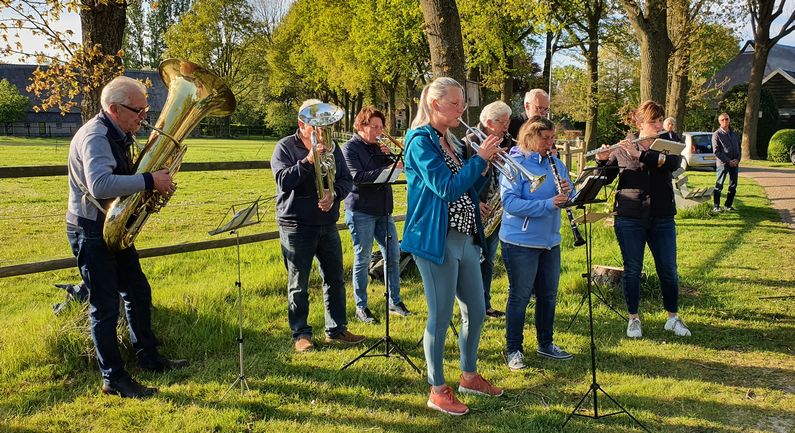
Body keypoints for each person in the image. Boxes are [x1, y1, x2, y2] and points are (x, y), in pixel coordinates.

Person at [66, 76, 187, 399]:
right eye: (138, 110)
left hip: (111, 225)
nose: (144, 117)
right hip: (91, 230)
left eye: (145, 109)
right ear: (114, 109)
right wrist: (149, 180)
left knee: (137, 291)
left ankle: (148, 356)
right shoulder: (95, 136)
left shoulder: (119, 133)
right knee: (105, 306)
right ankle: (113, 377)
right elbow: (101, 186)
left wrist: (151, 182)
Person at [402, 77, 504, 416]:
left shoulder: (452, 140)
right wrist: (480, 159)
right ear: (435, 104)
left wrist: (480, 189)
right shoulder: (420, 141)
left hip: (464, 237)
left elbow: (464, 186)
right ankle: (437, 388)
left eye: (463, 104)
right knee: (440, 314)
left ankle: (469, 375)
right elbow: (445, 188)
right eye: (456, 104)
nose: (463, 110)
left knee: (476, 310)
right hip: (436, 239)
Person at [271, 99, 365, 353]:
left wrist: (333, 195)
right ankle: (301, 333)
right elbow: (283, 181)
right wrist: (308, 161)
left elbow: (346, 180)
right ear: (301, 124)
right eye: (314, 125)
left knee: (335, 278)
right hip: (296, 225)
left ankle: (336, 329)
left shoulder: (333, 148)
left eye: (324, 124)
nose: (320, 131)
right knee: (298, 283)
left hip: (327, 223)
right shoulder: (285, 147)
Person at [594, 100, 691, 339]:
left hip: (662, 215)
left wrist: (640, 154)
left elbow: (672, 164)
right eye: (653, 121)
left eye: (660, 120)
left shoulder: (669, 144)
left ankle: (672, 318)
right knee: (632, 269)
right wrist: (602, 160)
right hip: (630, 216)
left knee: (668, 268)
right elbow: (604, 180)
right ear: (639, 123)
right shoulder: (621, 147)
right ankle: (633, 319)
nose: (659, 125)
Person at [500, 116, 574, 371]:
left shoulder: (555, 163)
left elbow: (569, 193)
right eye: (546, 138)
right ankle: (514, 349)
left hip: (550, 240)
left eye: (553, 138)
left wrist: (569, 191)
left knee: (548, 296)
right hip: (520, 241)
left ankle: (546, 343)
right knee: (519, 297)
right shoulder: (514, 163)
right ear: (530, 137)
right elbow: (509, 203)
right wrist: (548, 204)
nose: (550, 143)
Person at [342, 106, 411, 324]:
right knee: (362, 258)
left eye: (381, 127)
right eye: (375, 127)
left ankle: (394, 300)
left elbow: (394, 170)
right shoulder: (350, 148)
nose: (379, 131)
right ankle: (361, 306)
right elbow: (357, 176)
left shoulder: (379, 148)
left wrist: (390, 159)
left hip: (383, 209)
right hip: (361, 209)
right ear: (361, 126)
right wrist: (388, 168)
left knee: (392, 254)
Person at [462, 100, 513, 319]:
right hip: (478, 205)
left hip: (496, 205)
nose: (507, 126)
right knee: (475, 259)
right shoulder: (469, 142)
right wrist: (474, 200)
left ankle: (485, 303)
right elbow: (462, 177)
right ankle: (472, 306)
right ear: (489, 122)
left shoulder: (506, 140)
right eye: (502, 122)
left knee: (489, 259)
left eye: (508, 121)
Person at [711, 113, 741, 213]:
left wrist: (737, 160)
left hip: (734, 164)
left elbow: (739, 149)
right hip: (723, 164)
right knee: (719, 185)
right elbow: (716, 151)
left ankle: (728, 205)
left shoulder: (734, 134)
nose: (725, 121)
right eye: (723, 120)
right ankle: (716, 206)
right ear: (719, 122)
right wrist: (728, 161)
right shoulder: (717, 134)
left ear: (729, 120)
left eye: (726, 119)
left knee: (733, 185)